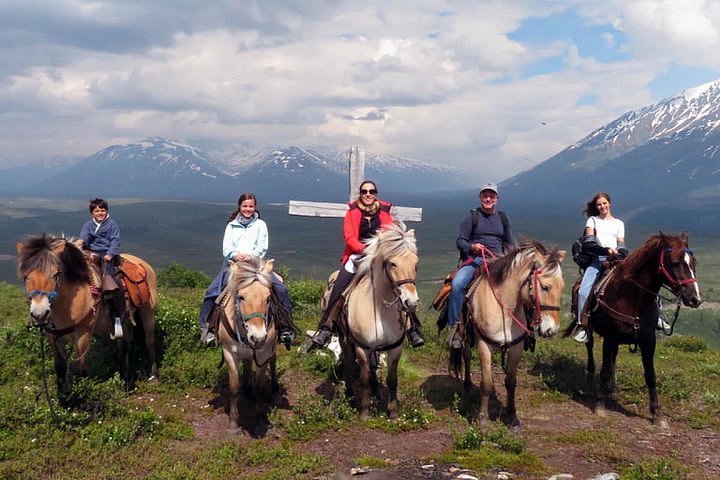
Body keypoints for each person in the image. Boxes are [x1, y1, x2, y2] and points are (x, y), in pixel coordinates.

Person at [311, 180, 425, 348]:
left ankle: (412, 328)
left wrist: (379, 252)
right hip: (357, 256)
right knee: (340, 286)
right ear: (360, 194)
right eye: (364, 191)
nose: (368, 194)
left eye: (371, 191)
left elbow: (389, 235)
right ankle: (327, 327)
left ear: (375, 194)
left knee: (400, 284)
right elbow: (349, 237)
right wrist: (365, 250)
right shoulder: (352, 212)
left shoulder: (384, 212)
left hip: (380, 258)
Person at [198, 192, 295, 347]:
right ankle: (207, 328)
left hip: (256, 265)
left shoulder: (260, 225)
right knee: (211, 292)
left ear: (255, 207)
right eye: (245, 206)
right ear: (239, 207)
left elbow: (262, 247)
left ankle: (285, 327)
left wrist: (251, 256)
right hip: (235, 266)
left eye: (251, 206)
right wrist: (236, 255)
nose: (248, 209)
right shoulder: (231, 226)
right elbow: (227, 248)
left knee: (280, 289)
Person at [446, 183, 517, 348]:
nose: (488, 199)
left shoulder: (503, 218)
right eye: (485, 195)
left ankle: (525, 329)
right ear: (480, 197)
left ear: (497, 199)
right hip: (477, 260)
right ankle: (456, 326)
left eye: (491, 196)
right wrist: (472, 247)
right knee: (457, 284)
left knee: (522, 285)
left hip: (499, 261)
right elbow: (460, 241)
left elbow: (509, 241)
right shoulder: (472, 217)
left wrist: (515, 255)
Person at [572, 192, 627, 343]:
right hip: (598, 260)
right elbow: (589, 242)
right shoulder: (592, 221)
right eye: (599, 204)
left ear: (610, 203)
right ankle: (582, 324)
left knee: (640, 279)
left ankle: (656, 317)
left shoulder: (619, 223)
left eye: (604, 203)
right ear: (596, 207)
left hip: (617, 260)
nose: (602, 206)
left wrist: (620, 252)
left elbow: (621, 243)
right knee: (583, 290)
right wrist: (605, 250)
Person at [76, 197, 125, 336]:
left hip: (106, 255)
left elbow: (115, 240)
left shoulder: (112, 225)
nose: (100, 213)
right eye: (96, 211)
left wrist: (110, 254)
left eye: (102, 210)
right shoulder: (88, 225)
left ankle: (117, 318)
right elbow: (84, 237)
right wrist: (78, 244)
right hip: (90, 253)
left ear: (107, 211)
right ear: (92, 213)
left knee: (110, 283)